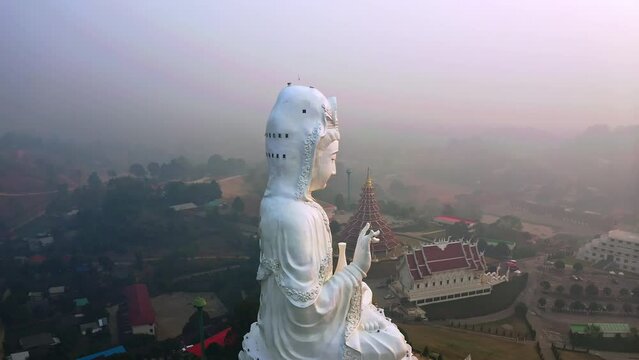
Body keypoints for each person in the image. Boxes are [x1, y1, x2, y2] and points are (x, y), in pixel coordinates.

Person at [239, 85, 414, 360]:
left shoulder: (274, 205)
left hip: (287, 331)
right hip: (303, 345)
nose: (333, 170)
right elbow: (309, 312)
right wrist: (357, 268)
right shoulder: (298, 217)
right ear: (306, 156)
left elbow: (310, 292)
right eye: (331, 159)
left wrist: (351, 280)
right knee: (395, 345)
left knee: (365, 296)